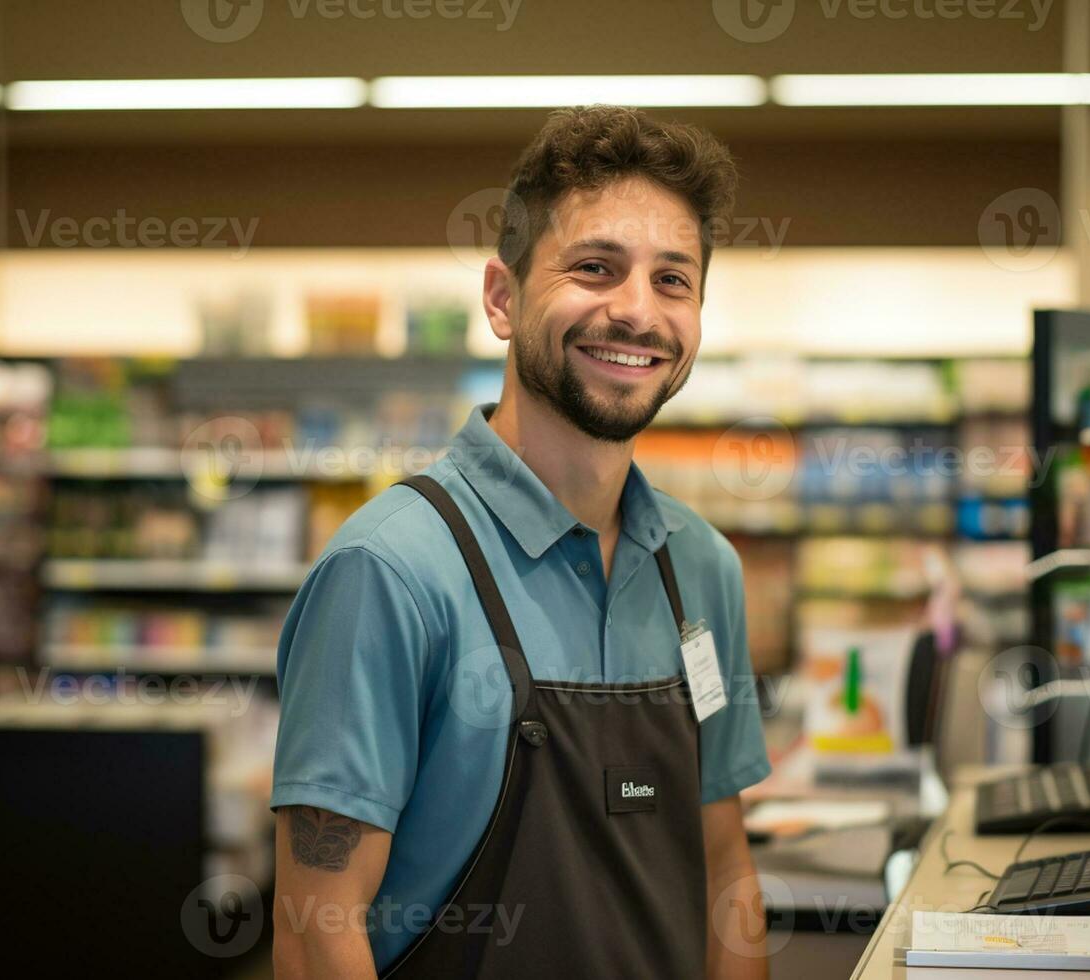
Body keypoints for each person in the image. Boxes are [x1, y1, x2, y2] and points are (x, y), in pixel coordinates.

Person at [271, 104, 772, 979]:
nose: (635, 312)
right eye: (594, 267)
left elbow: (725, 868)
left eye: (672, 280)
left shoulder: (701, 571)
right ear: (502, 299)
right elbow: (316, 931)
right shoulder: (390, 571)